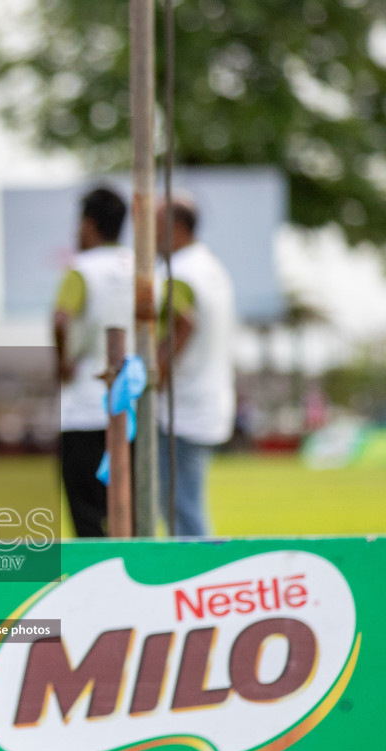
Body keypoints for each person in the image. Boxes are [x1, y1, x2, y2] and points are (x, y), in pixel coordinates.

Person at [54, 187, 134, 538]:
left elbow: (60, 319)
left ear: (88, 225)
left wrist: (63, 362)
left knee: (88, 518)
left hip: (86, 403)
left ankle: (95, 586)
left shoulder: (81, 269)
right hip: (132, 405)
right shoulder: (144, 266)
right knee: (130, 514)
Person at [158, 194, 236, 538]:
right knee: (185, 502)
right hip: (209, 398)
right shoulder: (210, 267)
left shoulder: (180, 272)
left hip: (181, 405)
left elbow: (183, 323)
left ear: (176, 228)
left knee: (180, 506)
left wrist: (155, 374)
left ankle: (198, 578)